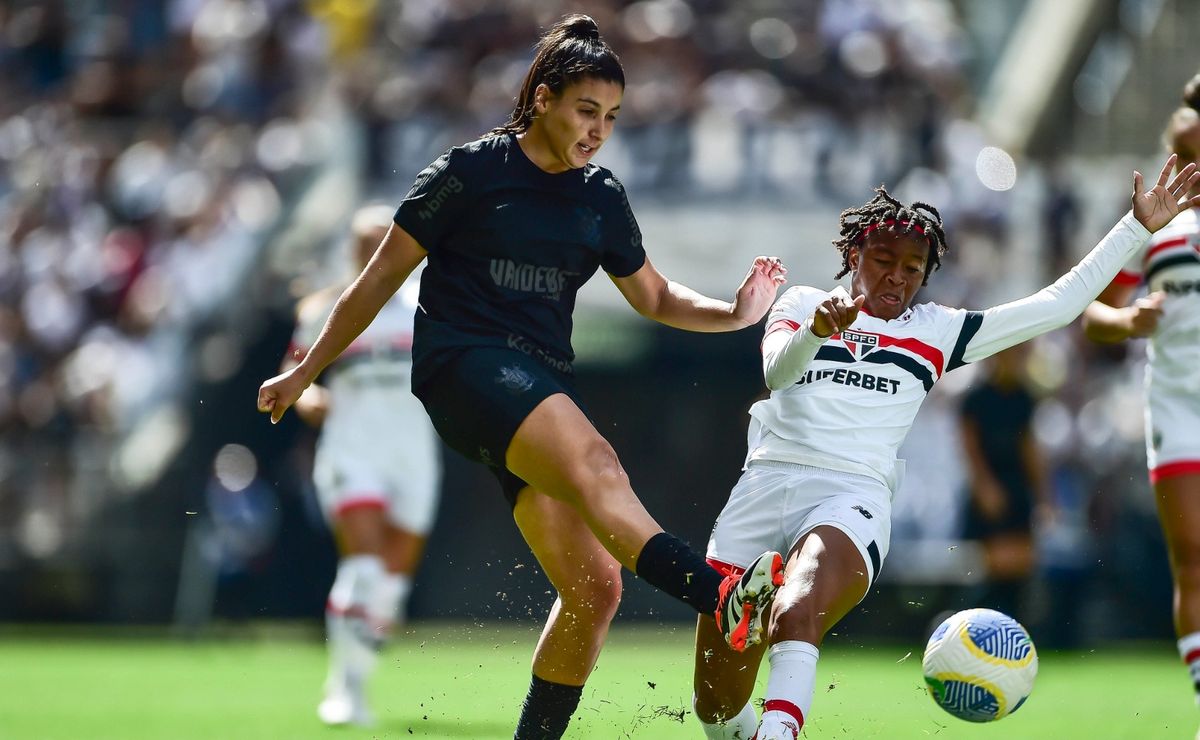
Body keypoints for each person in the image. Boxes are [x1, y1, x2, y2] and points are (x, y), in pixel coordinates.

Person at [256, 15, 787, 739]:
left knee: (594, 590)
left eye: (612, 117)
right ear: (542, 98)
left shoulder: (600, 196)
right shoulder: (468, 172)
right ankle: (716, 592)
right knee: (598, 460)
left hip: (531, 385)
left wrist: (735, 311)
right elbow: (377, 281)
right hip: (461, 368)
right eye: (586, 110)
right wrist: (306, 371)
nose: (599, 129)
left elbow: (656, 298)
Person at [691, 155, 1200, 740]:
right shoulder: (802, 303)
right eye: (884, 260)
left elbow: (1059, 305)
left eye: (913, 267)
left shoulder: (936, 330)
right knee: (717, 709)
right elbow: (778, 374)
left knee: (797, 608)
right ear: (854, 255)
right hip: (761, 489)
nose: (897, 278)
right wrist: (816, 333)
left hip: (849, 496)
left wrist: (1135, 227)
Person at [283, 205, 441, 726]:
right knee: (365, 568)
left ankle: (355, 676)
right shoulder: (327, 310)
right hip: (353, 451)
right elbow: (295, 370)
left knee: (390, 592)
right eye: (367, 242)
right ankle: (344, 691)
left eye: (387, 241)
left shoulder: (429, 307)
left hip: (414, 457)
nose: (378, 251)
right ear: (352, 250)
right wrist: (307, 400)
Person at [1083, 85, 1200, 722]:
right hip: (1178, 406)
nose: (1191, 165)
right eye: (1181, 153)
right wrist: (1129, 321)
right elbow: (1090, 314)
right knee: (1192, 561)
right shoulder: (1157, 229)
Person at [958, 344, 1053, 623]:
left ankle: (1012, 633)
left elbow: (1029, 450)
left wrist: (1043, 496)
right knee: (996, 569)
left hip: (1016, 487)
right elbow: (970, 448)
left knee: (1021, 570)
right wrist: (984, 486)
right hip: (990, 488)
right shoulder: (976, 398)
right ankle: (970, 625)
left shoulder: (1023, 397)